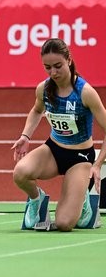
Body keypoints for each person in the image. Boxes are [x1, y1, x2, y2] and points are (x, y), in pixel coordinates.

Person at [12, 38, 106, 231]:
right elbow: (37, 110)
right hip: (53, 150)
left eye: (57, 66)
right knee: (20, 173)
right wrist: (25, 136)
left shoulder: (85, 92)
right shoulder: (44, 88)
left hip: (80, 158)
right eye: (47, 67)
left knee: (64, 224)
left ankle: (85, 204)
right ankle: (37, 200)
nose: (53, 72)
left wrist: (97, 164)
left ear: (69, 60)